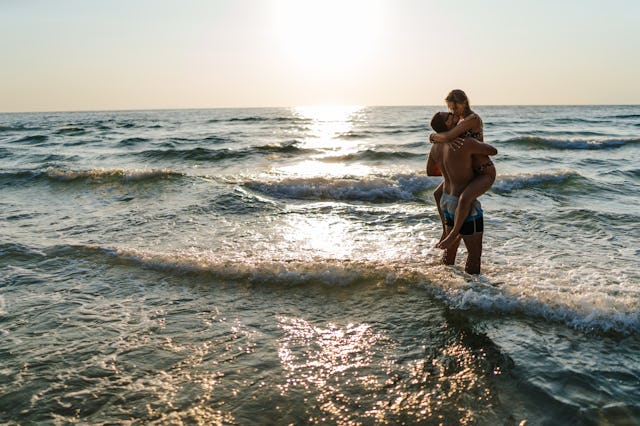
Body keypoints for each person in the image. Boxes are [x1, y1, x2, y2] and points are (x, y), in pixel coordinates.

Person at [426, 111, 497, 274]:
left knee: (450, 251)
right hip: (464, 207)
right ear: (447, 125)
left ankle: (443, 283)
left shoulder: (436, 146)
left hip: (446, 200)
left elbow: (430, 171)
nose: (452, 114)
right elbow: (493, 151)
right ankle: (473, 294)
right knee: (473, 255)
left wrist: (451, 171)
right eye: (448, 116)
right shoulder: (465, 143)